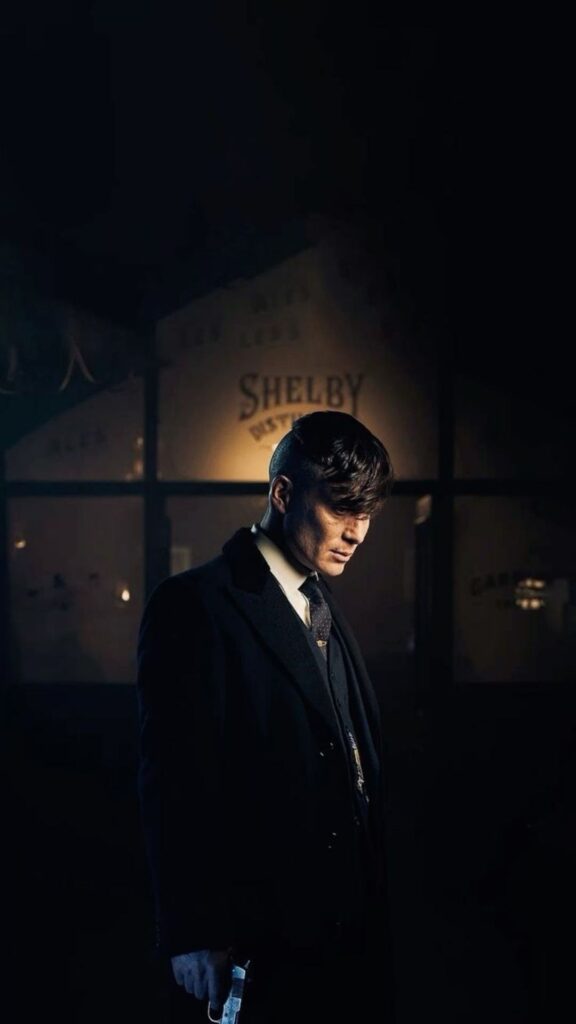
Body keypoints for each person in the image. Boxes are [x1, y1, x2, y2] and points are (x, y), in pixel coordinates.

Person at [136, 410, 396, 1023]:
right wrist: (194, 930)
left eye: (367, 515)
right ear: (283, 494)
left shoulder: (319, 600)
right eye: (340, 509)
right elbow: (173, 780)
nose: (357, 532)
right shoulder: (195, 605)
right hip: (260, 941)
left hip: (344, 938)